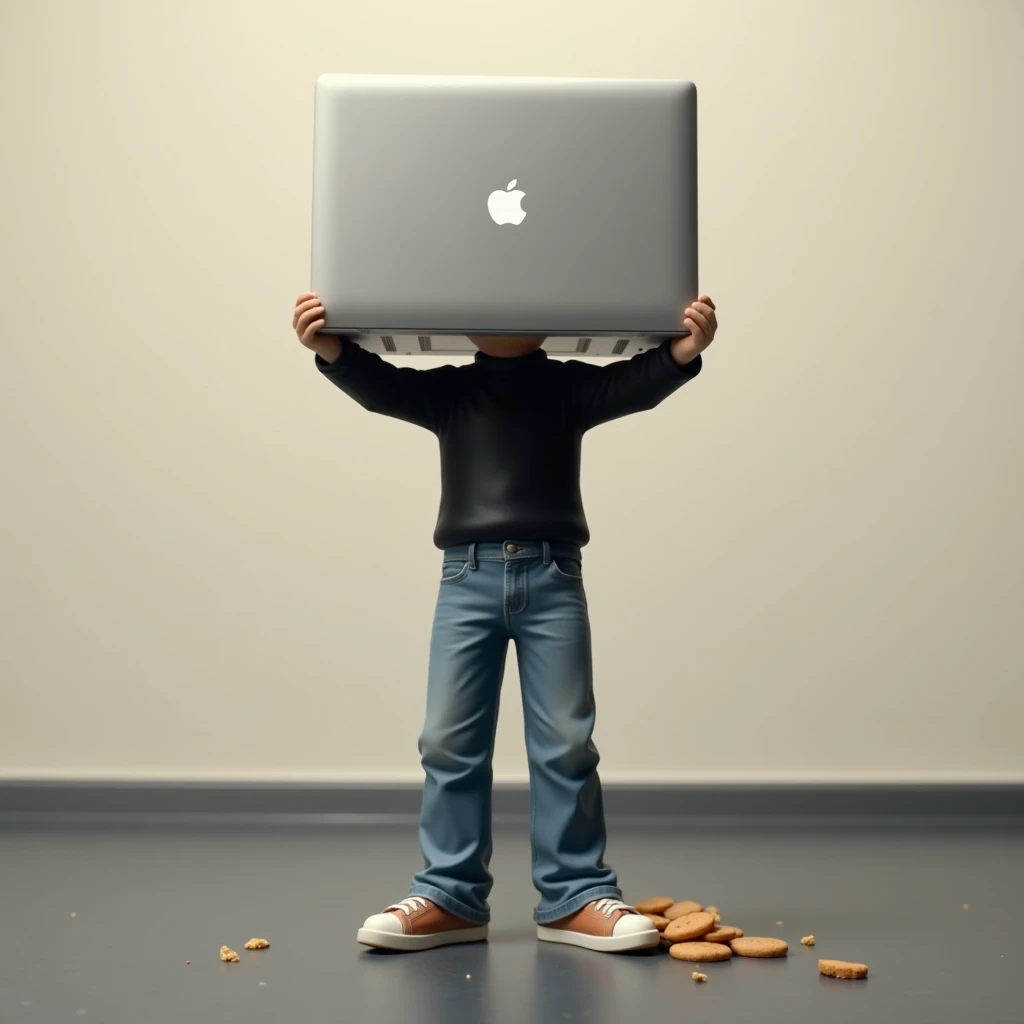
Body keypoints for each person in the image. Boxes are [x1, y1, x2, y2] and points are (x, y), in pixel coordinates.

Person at [291, 293, 719, 953]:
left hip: (554, 578)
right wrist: (332, 351)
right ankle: (450, 894)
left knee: (566, 742)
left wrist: (682, 354)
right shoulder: (452, 393)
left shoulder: (571, 387)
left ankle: (575, 893)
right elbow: (381, 387)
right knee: (447, 742)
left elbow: (636, 383)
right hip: (466, 579)